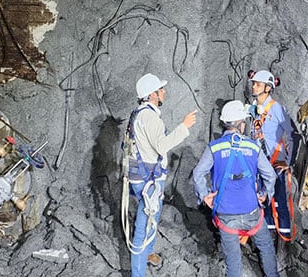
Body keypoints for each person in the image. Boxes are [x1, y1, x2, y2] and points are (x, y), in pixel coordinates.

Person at [122, 73, 197, 277]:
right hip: (148, 179)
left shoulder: (139, 113)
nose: (164, 91)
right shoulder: (149, 116)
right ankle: (138, 273)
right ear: (152, 94)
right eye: (160, 89)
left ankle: (147, 253)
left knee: (152, 216)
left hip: (145, 176)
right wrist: (184, 126)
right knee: (144, 223)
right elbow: (162, 145)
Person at [193, 100, 279, 277]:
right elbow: (270, 175)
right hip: (251, 212)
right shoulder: (253, 146)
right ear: (241, 123)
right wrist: (265, 195)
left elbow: (198, 173)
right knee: (266, 247)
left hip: (225, 215)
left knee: (233, 262)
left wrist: (204, 196)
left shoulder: (214, 147)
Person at [248, 70, 296, 243]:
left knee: (280, 204)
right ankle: (264, 243)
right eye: (253, 83)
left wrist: (289, 163)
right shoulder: (253, 110)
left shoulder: (277, 109)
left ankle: (284, 245)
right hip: (258, 164)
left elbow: (293, 135)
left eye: (258, 84)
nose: (254, 86)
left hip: (275, 163)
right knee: (264, 204)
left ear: (268, 88)